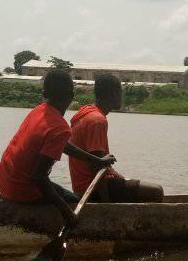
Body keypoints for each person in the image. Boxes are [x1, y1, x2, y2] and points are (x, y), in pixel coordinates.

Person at [0, 69, 115, 229]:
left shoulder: (39, 111)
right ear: (72, 95)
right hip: (23, 190)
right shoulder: (59, 128)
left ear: (45, 93)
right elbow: (38, 178)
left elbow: (62, 144)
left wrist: (96, 160)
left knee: (68, 196)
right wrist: (67, 213)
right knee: (74, 202)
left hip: (4, 182)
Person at [68, 73, 165, 203]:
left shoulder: (87, 112)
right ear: (114, 93)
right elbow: (97, 168)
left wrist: (121, 179)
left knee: (138, 185)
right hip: (91, 190)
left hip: (83, 187)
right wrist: (107, 204)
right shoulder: (97, 120)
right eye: (120, 92)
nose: (122, 96)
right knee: (156, 191)